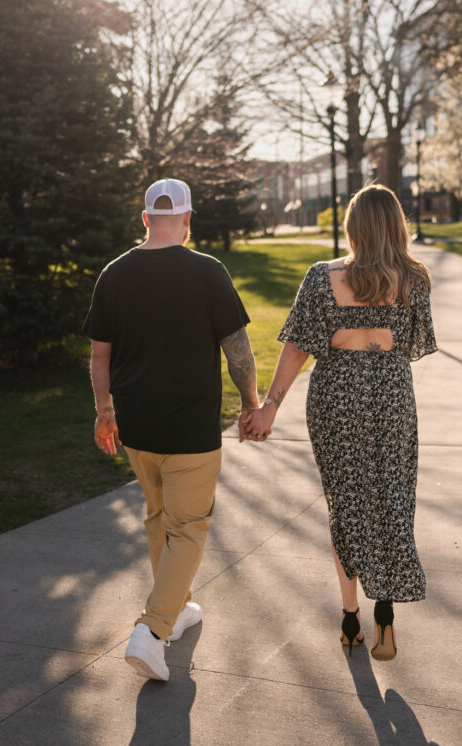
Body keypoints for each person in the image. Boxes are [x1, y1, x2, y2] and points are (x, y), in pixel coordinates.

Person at [241, 184, 437, 660]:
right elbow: (413, 347)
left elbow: (297, 347)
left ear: (352, 227)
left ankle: (350, 617)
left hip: (335, 397)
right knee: (390, 500)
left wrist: (270, 406)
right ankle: (385, 618)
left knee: (345, 504)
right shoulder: (414, 280)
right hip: (391, 396)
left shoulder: (320, 277)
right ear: (397, 226)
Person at [83, 177, 260, 681]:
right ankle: (152, 629)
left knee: (160, 518)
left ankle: (178, 610)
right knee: (189, 528)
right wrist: (251, 405)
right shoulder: (207, 271)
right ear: (188, 220)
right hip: (190, 428)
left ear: (144, 219)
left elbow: (100, 354)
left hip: (138, 427)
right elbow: (238, 348)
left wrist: (104, 412)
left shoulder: (114, 274)